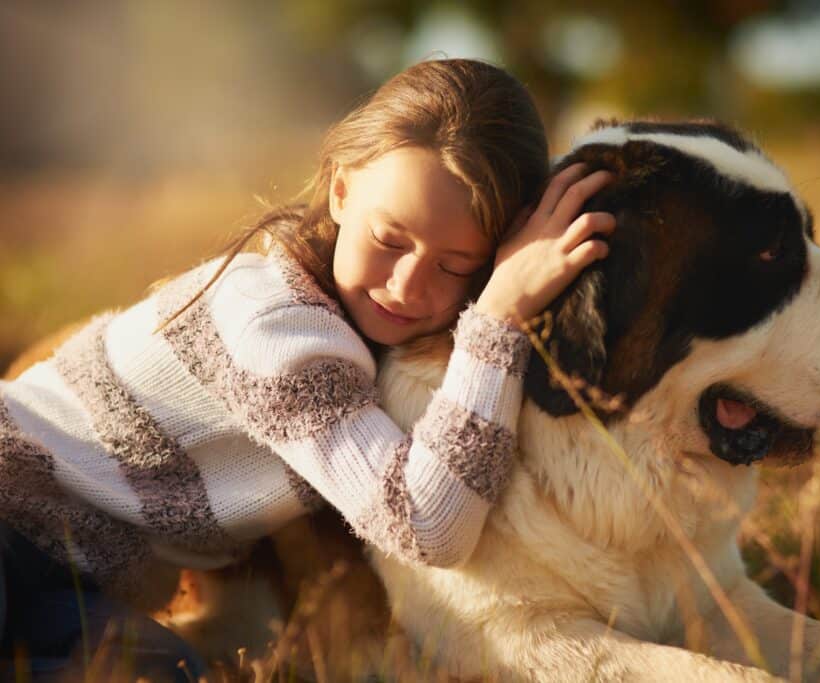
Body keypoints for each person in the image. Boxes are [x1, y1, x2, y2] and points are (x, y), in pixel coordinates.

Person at [0, 58, 615, 682]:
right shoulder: (279, 327)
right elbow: (426, 527)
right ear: (342, 191)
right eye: (390, 239)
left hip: (64, 581)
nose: (407, 286)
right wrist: (498, 316)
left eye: (455, 267)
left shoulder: (348, 329)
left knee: (154, 672)